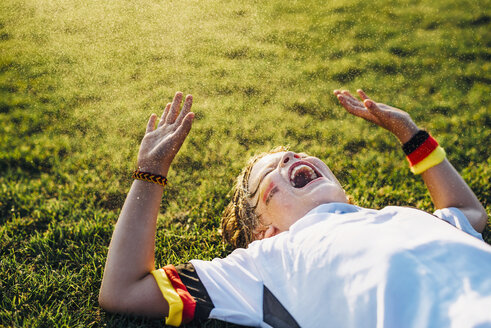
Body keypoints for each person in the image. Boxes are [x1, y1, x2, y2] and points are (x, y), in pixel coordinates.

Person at [99, 90, 491, 327]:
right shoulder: (264, 264)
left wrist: (411, 134)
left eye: (294, 155)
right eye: (269, 171)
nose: (291, 157)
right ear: (263, 231)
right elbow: (125, 291)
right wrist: (149, 173)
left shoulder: (398, 216)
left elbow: (468, 216)